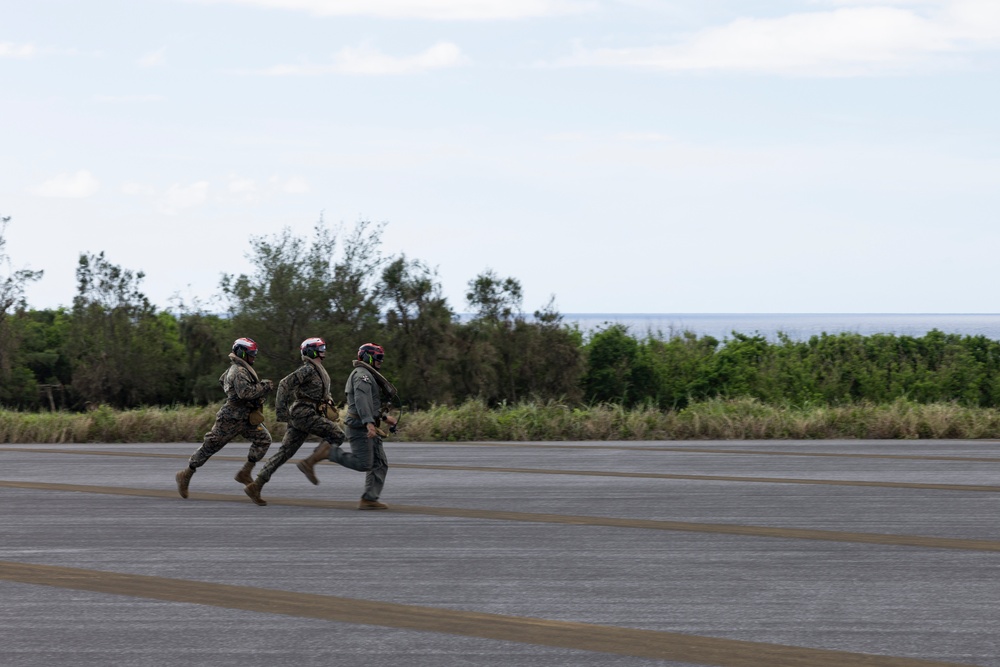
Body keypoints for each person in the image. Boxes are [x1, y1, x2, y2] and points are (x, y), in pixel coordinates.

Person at [243, 337, 345, 506]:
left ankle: (256, 485)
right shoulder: (307, 369)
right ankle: (309, 463)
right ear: (311, 351)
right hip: (303, 414)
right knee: (338, 435)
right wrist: (281, 412)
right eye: (320, 348)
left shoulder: (318, 369)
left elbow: (322, 392)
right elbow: (284, 384)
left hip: (303, 415)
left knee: (285, 453)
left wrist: (329, 403)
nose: (324, 350)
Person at [176, 337, 274, 499]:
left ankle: (245, 472)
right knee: (211, 445)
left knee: (264, 439)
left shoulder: (240, 369)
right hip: (230, 418)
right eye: (252, 353)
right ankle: (186, 474)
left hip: (246, 417)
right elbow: (245, 393)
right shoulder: (238, 371)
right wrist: (264, 387)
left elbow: (222, 380)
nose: (254, 357)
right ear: (242, 353)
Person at [324, 342, 398, 510]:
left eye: (381, 358)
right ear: (368, 357)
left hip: (366, 425)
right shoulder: (361, 375)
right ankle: (330, 452)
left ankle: (369, 499)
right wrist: (369, 423)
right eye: (378, 357)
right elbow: (361, 401)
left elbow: (370, 404)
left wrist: (384, 418)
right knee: (363, 463)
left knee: (379, 463)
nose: (381, 361)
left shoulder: (368, 374)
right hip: (360, 427)